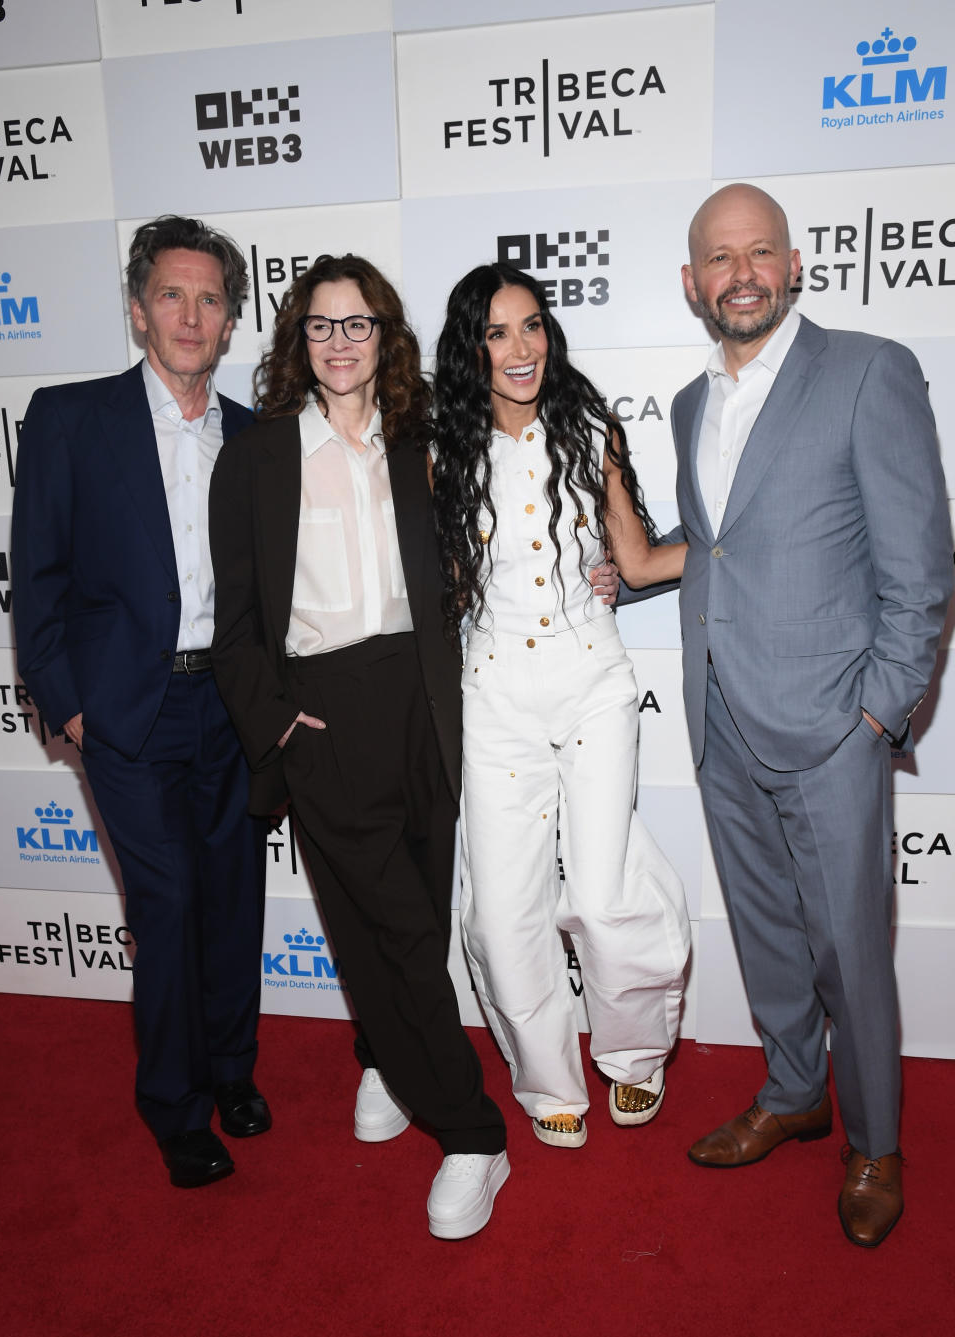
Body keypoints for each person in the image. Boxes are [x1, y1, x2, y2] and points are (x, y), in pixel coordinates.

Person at [663, 183, 952, 1246]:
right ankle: (794, 1089)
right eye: (719, 258)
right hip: (721, 712)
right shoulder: (692, 404)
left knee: (850, 947)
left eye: (760, 252)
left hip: (833, 721)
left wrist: (880, 713)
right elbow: (719, 546)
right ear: (691, 284)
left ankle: (875, 1141)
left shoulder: (869, 371)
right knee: (766, 928)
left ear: (792, 265)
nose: (741, 273)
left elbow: (922, 568)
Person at [208, 254, 510, 1239]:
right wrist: (280, 722)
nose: (340, 341)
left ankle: (385, 1051)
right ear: (301, 339)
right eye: (322, 324)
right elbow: (239, 615)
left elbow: (471, 556)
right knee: (400, 935)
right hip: (325, 713)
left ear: (387, 336)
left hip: (424, 704)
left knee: (418, 908)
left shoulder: (421, 443)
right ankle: (474, 1132)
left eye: (358, 323)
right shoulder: (257, 454)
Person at [11, 216, 271, 1189]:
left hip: (231, 709)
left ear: (231, 319)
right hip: (128, 709)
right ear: (136, 309)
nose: (191, 314)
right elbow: (35, 584)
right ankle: (174, 1102)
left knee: (233, 895)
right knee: (165, 903)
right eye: (172, 294)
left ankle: (233, 1071)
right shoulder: (72, 419)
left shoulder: (254, 436)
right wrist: (69, 707)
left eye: (210, 298)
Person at [432, 262, 691, 1150]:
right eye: (499, 332)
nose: (521, 347)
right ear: (472, 350)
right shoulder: (442, 450)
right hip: (494, 694)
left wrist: (752, 539)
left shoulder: (590, 429)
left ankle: (634, 1055)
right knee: (505, 909)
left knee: (607, 887)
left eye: (533, 326)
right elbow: (442, 590)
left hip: (593, 683)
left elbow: (642, 559)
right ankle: (547, 1074)